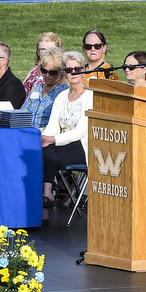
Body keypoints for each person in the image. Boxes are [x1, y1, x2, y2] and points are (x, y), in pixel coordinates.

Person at [39, 50, 93, 212]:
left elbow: (81, 132)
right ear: (64, 73)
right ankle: (46, 195)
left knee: (48, 153)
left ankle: (45, 194)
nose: (73, 73)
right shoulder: (62, 96)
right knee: (40, 149)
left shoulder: (90, 97)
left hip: (82, 146)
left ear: (83, 70)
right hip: (59, 144)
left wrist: (52, 139)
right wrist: (44, 138)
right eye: (69, 70)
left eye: (77, 69)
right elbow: (53, 126)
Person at [24, 48, 68, 130]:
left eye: (52, 73)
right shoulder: (36, 88)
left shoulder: (65, 92)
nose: (47, 75)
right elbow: (22, 112)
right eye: (44, 71)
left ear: (62, 71)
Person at [23, 31, 62, 97]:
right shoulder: (35, 69)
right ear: (38, 52)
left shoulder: (59, 71)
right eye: (43, 49)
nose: (47, 52)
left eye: (51, 49)